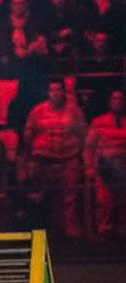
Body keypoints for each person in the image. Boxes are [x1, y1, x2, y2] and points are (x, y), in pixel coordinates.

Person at [21, 79, 87, 237]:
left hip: (68, 158)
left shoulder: (74, 112)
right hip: (44, 159)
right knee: (46, 196)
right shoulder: (38, 111)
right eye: (52, 90)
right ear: (47, 93)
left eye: (58, 90)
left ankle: (70, 232)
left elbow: (83, 135)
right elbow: (28, 136)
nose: (55, 93)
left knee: (70, 196)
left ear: (63, 92)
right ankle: (48, 230)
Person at [86, 90, 126, 238]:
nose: (118, 101)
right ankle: (104, 229)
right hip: (105, 168)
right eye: (115, 98)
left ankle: (123, 229)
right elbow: (88, 147)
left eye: (121, 98)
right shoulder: (99, 122)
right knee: (104, 200)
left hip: (123, 167)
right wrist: (89, 167)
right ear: (110, 101)